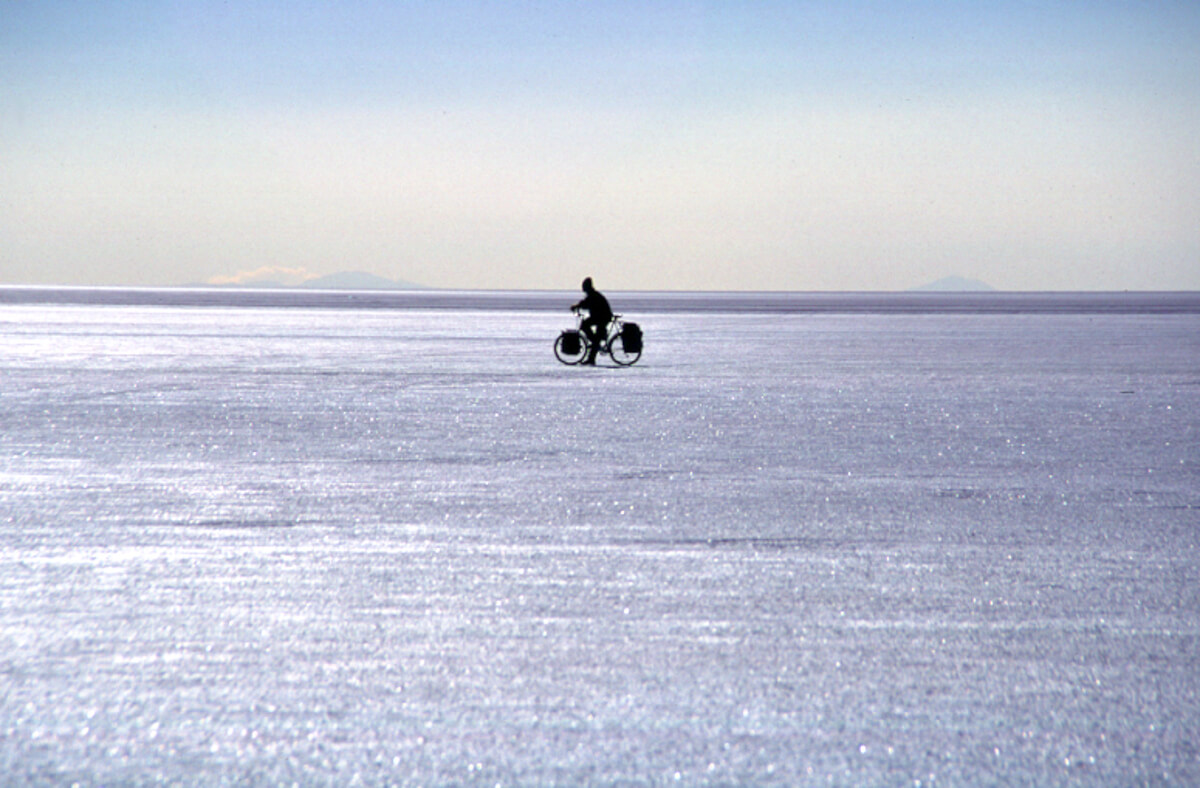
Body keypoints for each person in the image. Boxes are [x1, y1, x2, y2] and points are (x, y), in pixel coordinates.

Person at [571, 277, 613, 365]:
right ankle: (592, 357)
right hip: (600, 317)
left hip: (603, 317)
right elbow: (585, 303)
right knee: (593, 334)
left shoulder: (593, 295)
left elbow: (586, 304)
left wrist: (577, 306)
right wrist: (578, 306)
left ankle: (593, 350)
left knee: (586, 326)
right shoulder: (592, 294)